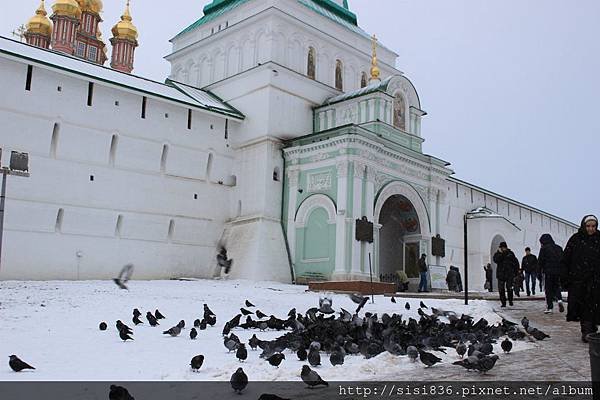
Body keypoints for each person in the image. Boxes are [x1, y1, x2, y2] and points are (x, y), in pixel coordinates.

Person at [560, 215, 600, 343]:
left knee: (595, 306)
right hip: (580, 280)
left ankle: (592, 329)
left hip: (596, 280)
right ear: (583, 226)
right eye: (588, 226)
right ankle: (587, 331)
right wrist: (565, 277)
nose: (591, 229)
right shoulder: (576, 239)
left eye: (593, 226)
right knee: (584, 307)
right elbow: (566, 259)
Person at [538, 233, 565, 314]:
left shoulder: (544, 249)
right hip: (557, 271)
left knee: (548, 289)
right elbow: (563, 260)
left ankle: (550, 308)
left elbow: (540, 261)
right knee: (556, 286)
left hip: (548, 271)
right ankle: (559, 300)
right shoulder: (559, 248)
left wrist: (539, 271)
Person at [493, 242, 519, 307]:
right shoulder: (498, 254)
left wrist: (516, 272)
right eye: (501, 248)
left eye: (504, 247)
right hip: (501, 274)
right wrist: (502, 254)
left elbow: (516, 262)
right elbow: (496, 260)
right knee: (501, 289)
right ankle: (503, 302)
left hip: (509, 274)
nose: (503, 249)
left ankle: (510, 300)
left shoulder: (510, 253)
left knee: (509, 288)